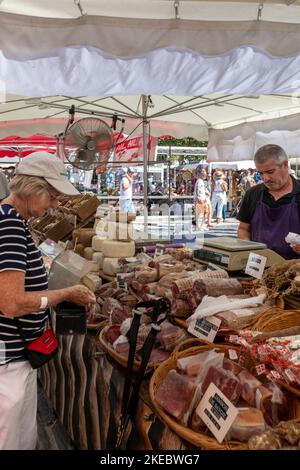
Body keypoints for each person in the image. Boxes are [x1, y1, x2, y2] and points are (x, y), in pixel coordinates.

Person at [0, 151, 96, 450]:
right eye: (52, 197)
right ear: (33, 189)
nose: (55, 205)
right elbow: (11, 303)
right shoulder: (10, 226)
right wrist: (65, 294)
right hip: (9, 362)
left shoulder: (8, 218)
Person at [237, 144, 300, 259]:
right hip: (257, 266)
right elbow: (243, 229)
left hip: (294, 270)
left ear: (285, 165)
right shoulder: (253, 194)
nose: (265, 178)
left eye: (270, 172)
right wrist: (248, 248)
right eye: (261, 173)